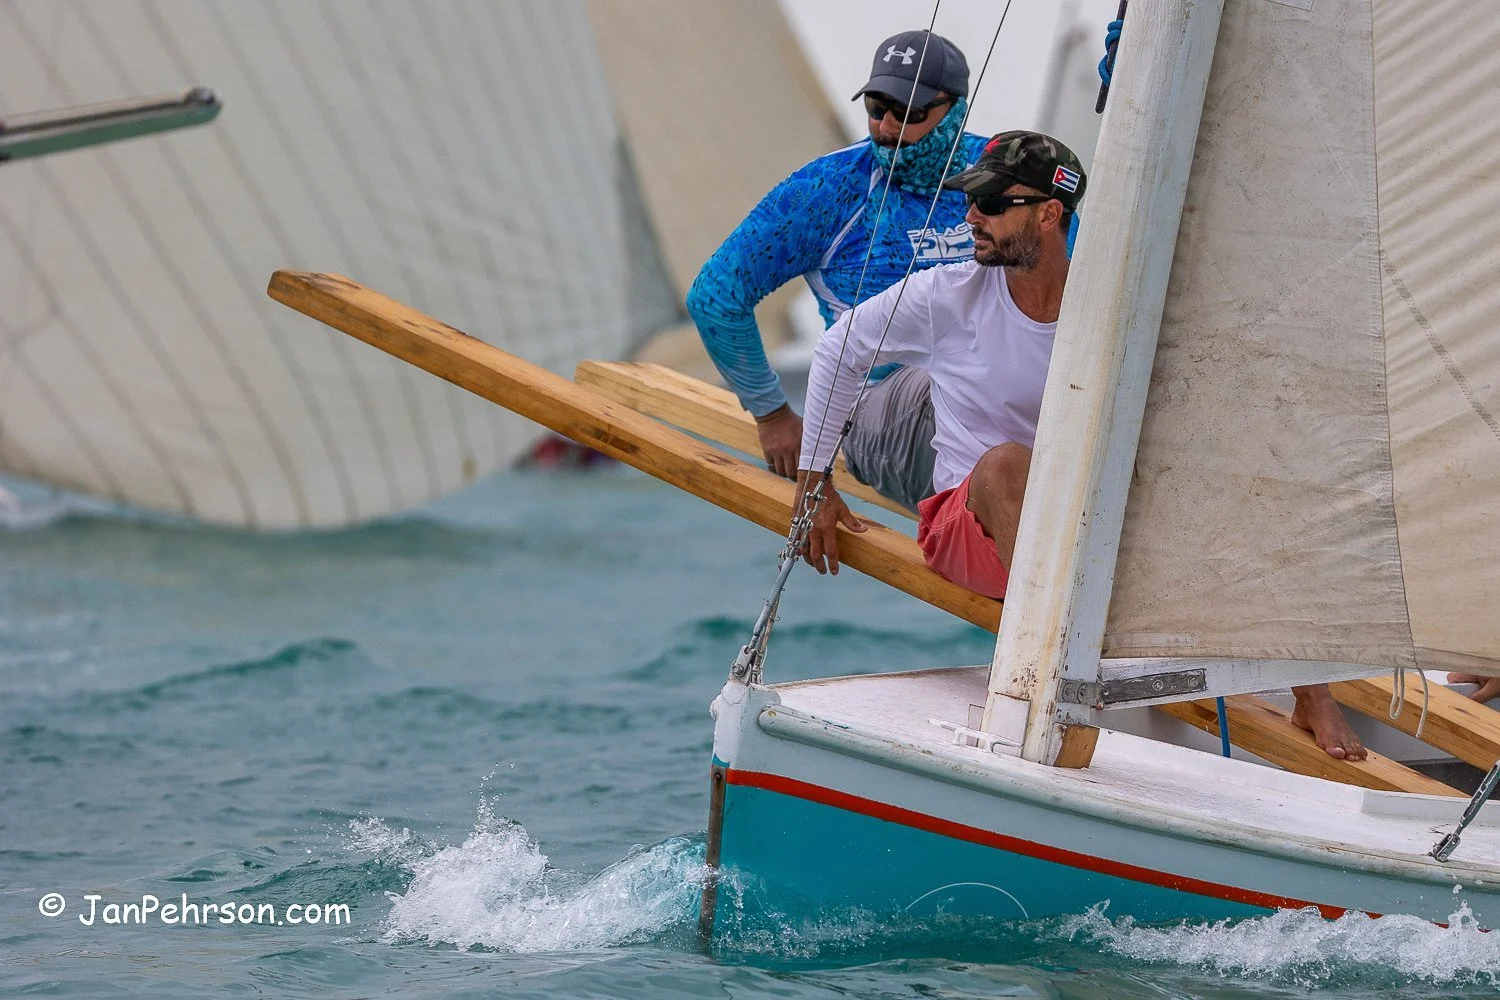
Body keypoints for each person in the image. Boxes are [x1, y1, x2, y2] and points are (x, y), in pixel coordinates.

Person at [793, 129, 1368, 761]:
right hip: (970, 521)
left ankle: (1314, 694)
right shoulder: (947, 297)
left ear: (1048, 214)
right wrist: (814, 482)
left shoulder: (1116, 305)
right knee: (1007, 464)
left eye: (990, 202)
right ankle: (1052, 669)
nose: (971, 216)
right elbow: (837, 351)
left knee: (1235, 473)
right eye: (970, 200)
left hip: (1085, 528)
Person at [685, 29, 988, 510]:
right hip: (876, 415)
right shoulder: (827, 190)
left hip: (994, 407)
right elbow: (715, 296)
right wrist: (772, 415)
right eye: (875, 106)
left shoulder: (1003, 177)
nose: (886, 127)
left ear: (954, 109)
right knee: (954, 379)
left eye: (907, 112)